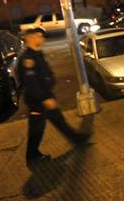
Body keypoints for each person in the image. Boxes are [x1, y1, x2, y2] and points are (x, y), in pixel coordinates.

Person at [18, 27, 89, 166]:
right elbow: (31, 83)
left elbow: (45, 74)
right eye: (40, 36)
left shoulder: (38, 54)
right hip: (38, 100)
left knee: (59, 120)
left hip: (46, 95)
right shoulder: (27, 59)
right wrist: (44, 99)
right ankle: (32, 156)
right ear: (30, 38)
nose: (42, 38)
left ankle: (78, 139)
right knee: (36, 129)